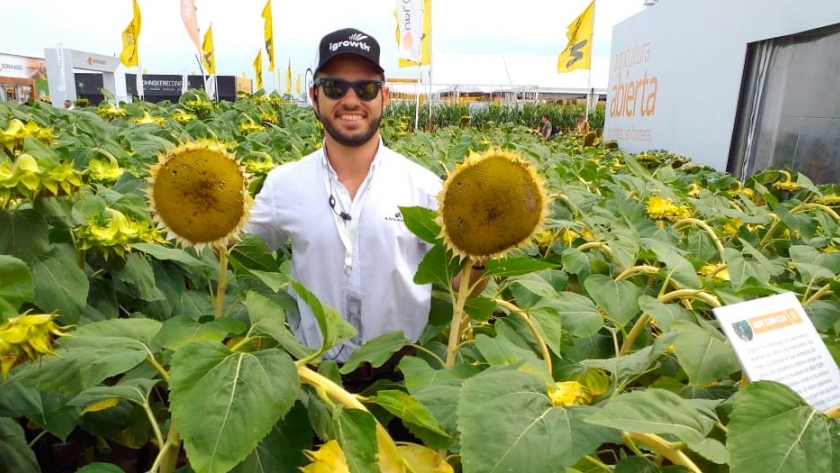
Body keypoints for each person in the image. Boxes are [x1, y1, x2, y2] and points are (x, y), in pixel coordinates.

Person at [245, 28, 484, 387]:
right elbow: (239, 249)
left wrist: (486, 247)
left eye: (367, 88)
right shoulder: (284, 185)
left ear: (384, 97)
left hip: (402, 378)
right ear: (315, 96)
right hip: (311, 376)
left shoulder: (424, 188)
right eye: (335, 88)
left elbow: (459, 283)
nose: (351, 100)